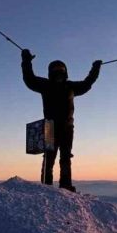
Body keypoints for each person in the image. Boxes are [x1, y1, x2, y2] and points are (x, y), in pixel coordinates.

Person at [21, 49, 101, 192]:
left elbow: (87, 83)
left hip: (63, 127)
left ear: (65, 72)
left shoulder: (64, 86)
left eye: (60, 70)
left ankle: (62, 186)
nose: (58, 72)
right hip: (53, 127)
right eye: (56, 70)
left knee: (64, 157)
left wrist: (95, 69)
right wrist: (26, 61)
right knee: (52, 158)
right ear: (51, 72)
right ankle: (50, 186)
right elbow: (29, 79)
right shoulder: (54, 86)